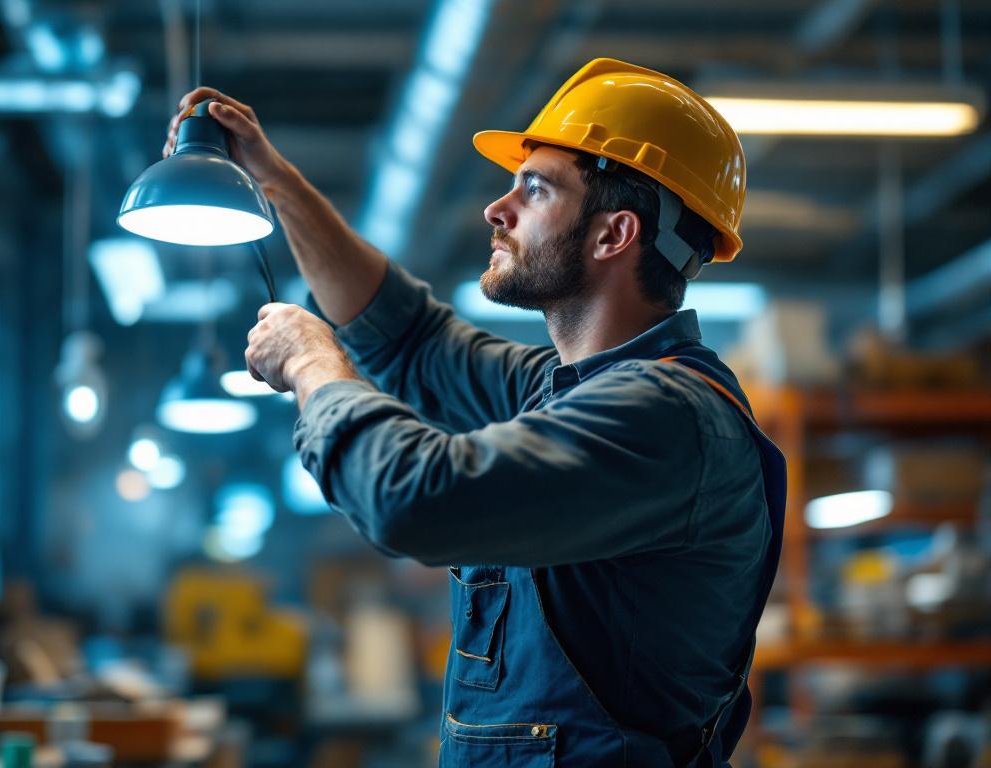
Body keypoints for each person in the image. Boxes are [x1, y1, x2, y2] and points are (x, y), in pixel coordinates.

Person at [167, 58, 787, 766]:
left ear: (612, 235)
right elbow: (409, 337)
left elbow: (414, 499)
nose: (498, 208)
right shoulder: (564, 389)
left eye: (535, 189)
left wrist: (313, 362)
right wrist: (273, 178)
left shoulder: (665, 418)